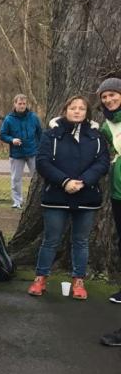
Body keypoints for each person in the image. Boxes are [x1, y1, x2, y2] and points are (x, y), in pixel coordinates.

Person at [27, 95, 109, 299]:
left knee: (80, 241)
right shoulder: (51, 134)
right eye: (73, 107)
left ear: (87, 112)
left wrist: (83, 181)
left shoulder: (97, 136)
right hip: (56, 196)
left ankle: (78, 281)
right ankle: (40, 278)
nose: (77, 111)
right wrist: (65, 181)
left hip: (87, 196)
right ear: (65, 110)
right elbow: (43, 162)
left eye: (81, 108)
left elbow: (102, 163)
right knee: (50, 240)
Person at [95, 78, 121, 345]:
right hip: (118, 193)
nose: (109, 100)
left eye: (113, 94)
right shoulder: (107, 125)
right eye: (104, 97)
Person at [0, 94, 42, 208]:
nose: (22, 106)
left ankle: (37, 201)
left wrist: (40, 148)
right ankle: (17, 202)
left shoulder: (33, 117)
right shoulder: (9, 119)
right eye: (20, 103)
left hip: (33, 153)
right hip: (16, 154)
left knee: (37, 178)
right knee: (16, 179)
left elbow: (40, 133)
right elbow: (2, 135)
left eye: (24, 104)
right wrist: (12, 140)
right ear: (15, 104)